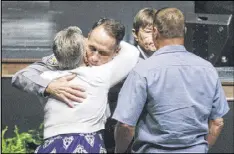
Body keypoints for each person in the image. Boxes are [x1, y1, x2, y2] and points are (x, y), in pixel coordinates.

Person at [11, 18, 139, 152]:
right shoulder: (64, 57)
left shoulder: (117, 67)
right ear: (85, 39)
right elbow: (21, 76)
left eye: (103, 53)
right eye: (92, 48)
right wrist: (49, 86)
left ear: (116, 51)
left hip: (109, 140)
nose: (94, 58)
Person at [112, 7, 230, 153]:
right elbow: (217, 122)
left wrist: (119, 151)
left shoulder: (142, 71)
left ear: (155, 32)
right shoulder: (208, 69)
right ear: (184, 31)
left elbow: (125, 125)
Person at [104, 8, 158, 152]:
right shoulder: (125, 61)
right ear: (135, 34)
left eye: (156, 31)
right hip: (122, 133)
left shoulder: (164, 61)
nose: (153, 37)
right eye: (147, 32)